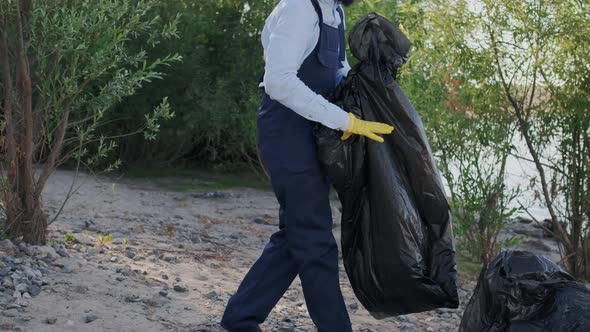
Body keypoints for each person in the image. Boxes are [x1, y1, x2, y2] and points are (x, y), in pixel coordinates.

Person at [221, 0, 393, 331]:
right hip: (286, 134)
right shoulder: (300, 8)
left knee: (295, 235)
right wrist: (344, 121)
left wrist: (374, 92)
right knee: (314, 238)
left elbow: (337, 70)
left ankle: (239, 318)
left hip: (314, 136)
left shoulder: (335, 10)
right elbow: (279, 81)